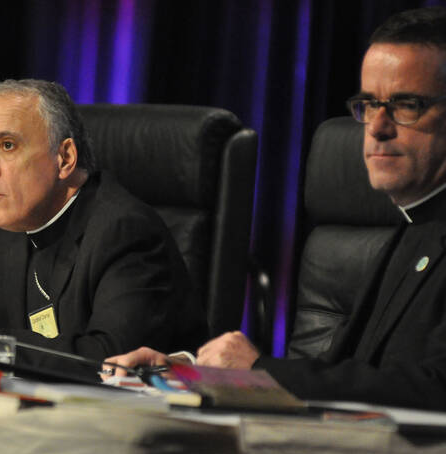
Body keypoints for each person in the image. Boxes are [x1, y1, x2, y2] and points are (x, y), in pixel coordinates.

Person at [105, 7, 446, 410]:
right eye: (369, 104)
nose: (377, 127)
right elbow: (345, 373)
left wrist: (261, 368)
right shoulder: (410, 226)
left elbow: (432, 390)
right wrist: (186, 371)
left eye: (406, 105)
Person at [0, 79, 207, 377]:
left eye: (7, 146)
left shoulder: (125, 231)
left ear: (64, 158)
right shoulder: (12, 230)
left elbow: (107, 360)